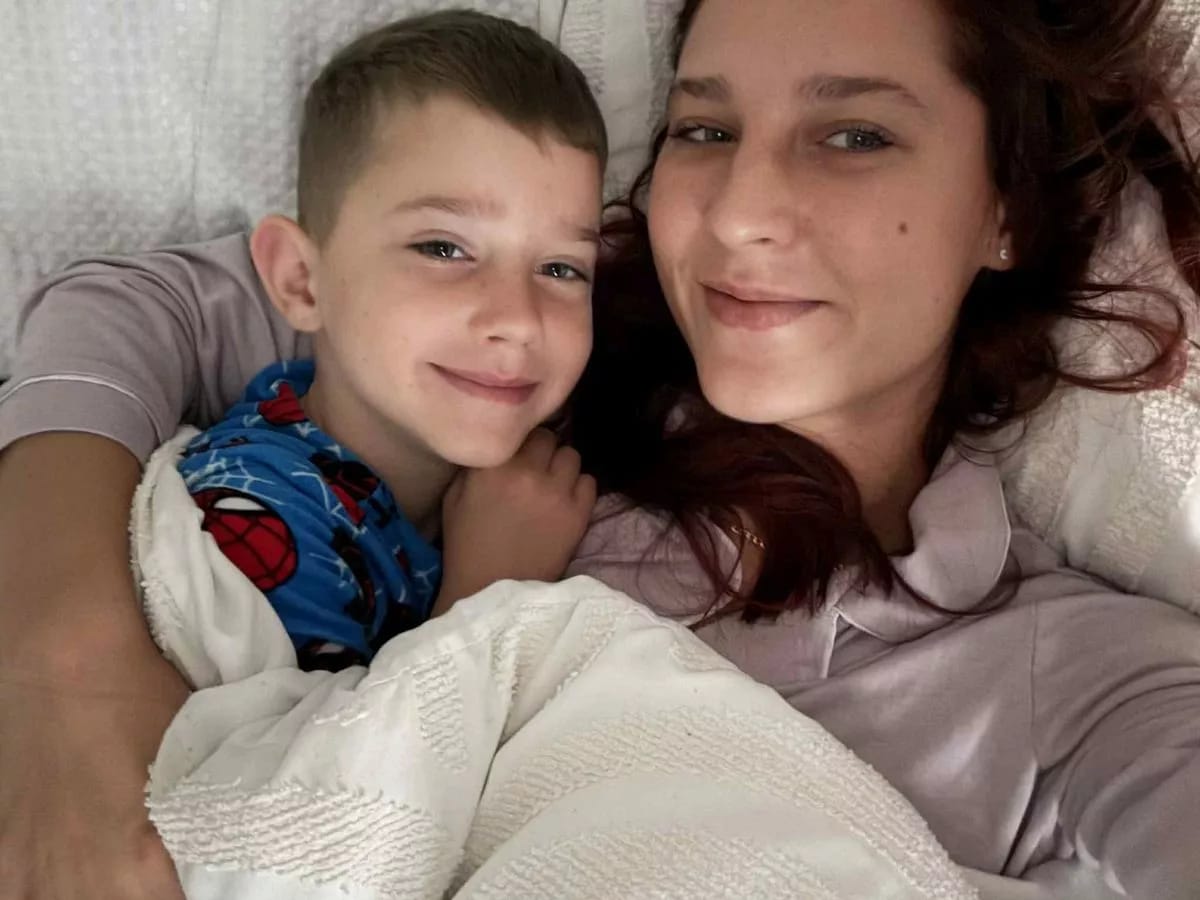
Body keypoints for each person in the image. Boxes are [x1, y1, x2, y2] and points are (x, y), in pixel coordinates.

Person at [2, 0, 1199, 897]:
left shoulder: (1076, 677)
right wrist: (63, 673)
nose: (737, 212)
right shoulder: (515, 357)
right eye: (704, 126)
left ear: (1006, 208)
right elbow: (130, 314)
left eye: (853, 135)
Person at [168, 12, 604, 672]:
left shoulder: (542, 463)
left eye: (561, 268)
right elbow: (314, 744)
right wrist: (488, 591)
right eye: (443, 248)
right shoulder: (253, 515)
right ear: (302, 281)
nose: (519, 319)